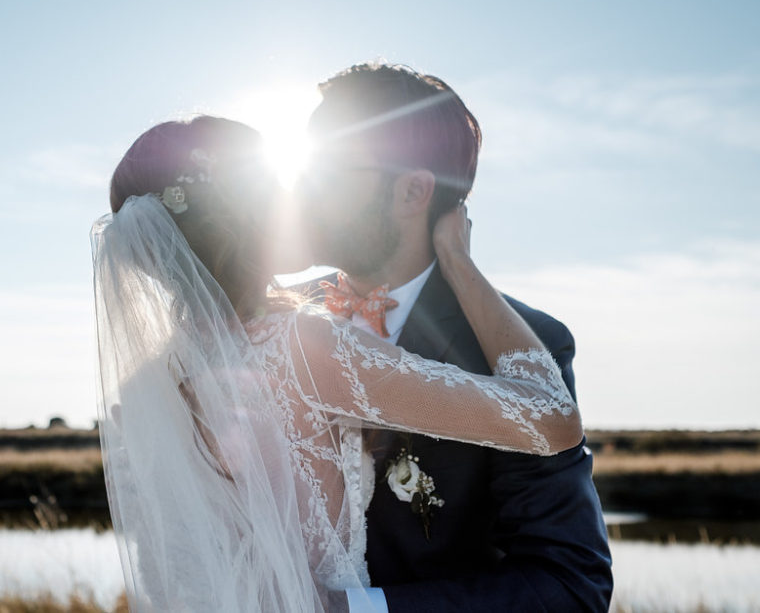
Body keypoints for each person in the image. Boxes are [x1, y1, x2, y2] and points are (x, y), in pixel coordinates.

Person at [92, 115, 583, 612]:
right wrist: (459, 261)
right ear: (246, 216)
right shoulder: (305, 344)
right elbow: (553, 422)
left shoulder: (144, 389)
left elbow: (171, 576)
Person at [301, 62, 613, 612]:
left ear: (412, 191)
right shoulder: (273, 321)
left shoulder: (520, 350)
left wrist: (356, 611)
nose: (301, 187)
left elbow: (568, 584)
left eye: (329, 169)